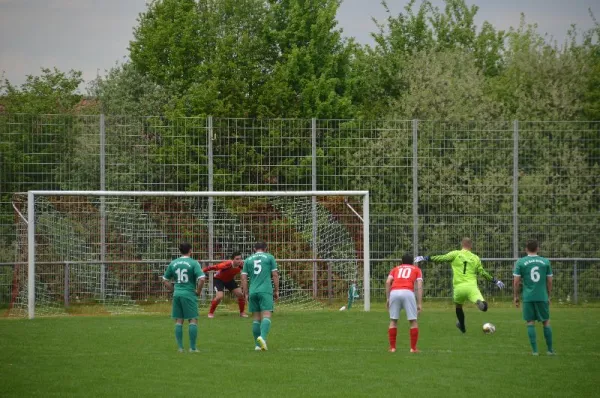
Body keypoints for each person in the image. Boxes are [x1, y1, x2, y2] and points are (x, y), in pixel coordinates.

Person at [415, 237, 505, 333]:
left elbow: (441, 258)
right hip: (471, 287)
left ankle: (462, 326)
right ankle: (481, 305)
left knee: (458, 307)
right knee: (485, 306)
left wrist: (425, 258)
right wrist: (495, 281)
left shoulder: (456, 254)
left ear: (462, 245)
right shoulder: (475, 258)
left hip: (459, 288)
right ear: (471, 246)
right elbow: (483, 273)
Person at [162, 242, 206, 353]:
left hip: (177, 294)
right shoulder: (193, 263)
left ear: (180, 251)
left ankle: (180, 348)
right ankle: (192, 348)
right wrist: (198, 291)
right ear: (190, 250)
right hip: (189, 294)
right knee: (193, 320)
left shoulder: (174, 263)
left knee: (179, 320)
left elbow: (165, 280)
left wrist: (173, 290)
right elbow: (201, 279)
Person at [513, 239, 554, 355]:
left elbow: (516, 282)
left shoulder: (520, 262)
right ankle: (550, 350)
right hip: (542, 296)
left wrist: (516, 297)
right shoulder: (545, 262)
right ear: (538, 249)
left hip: (528, 297)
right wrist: (548, 295)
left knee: (530, 322)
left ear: (526, 249)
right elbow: (549, 281)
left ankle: (535, 351)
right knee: (546, 322)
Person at [241, 241, 279, 351]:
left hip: (253, 291)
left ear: (254, 249)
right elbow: (275, 275)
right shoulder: (269, 257)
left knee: (256, 318)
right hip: (265, 290)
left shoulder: (248, 260)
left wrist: (246, 292)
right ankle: (262, 338)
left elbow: (243, 277)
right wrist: (277, 290)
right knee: (266, 315)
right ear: (266, 248)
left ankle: (258, 346)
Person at [385, 253, 423, 353]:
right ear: (412, 262)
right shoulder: (416, 269)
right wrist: (419, 303)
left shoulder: (395, 269)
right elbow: (419, 285)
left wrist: (388, 298)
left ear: (401, 261)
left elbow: (388, 282)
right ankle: (413, 348)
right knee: (413, 321)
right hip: (408, 292)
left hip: (394, 292)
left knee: (393, 320)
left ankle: (392, 348)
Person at [203, 252, 248, 318]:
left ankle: (242, 313)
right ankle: (210, 313)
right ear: (232, 260)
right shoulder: (227, 264)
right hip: (219, 280)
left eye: (240, 259)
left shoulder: (242, 266)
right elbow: (214, 267)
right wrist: (202, 270)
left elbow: (245, 274)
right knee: (219, 296)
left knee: (240, 294)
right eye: (237, 259)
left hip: (229, 280)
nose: (239, 261)